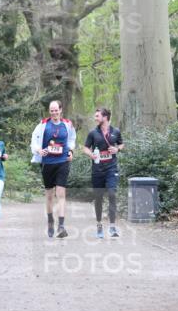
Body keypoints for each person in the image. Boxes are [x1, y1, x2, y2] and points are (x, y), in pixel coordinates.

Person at [30, 100, 76, 238]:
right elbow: (34, 141)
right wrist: (38, 150)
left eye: (56, 110)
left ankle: (61, 226)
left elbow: (72, 139)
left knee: (61, 193)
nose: (54, 113)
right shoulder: (43, 124)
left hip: (63, 162)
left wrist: (71, 151)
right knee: (49, 195)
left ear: (61, 110)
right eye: (52, 110)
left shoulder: (67, 124)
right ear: (49, 111)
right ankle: (50, 221)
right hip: (47, 163)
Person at [81, 107, 124, 238]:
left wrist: (117, 149)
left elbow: (121, 144)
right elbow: (85, 148)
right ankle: (99, 226)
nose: (95, 118)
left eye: (97, 116)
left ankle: (112, 227)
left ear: (105, 117)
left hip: (111, 168)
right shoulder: (93, 133)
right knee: (98, 198)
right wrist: (91, 155)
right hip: (97, 169)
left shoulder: (115, 131)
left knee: (112, 194)